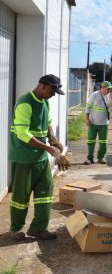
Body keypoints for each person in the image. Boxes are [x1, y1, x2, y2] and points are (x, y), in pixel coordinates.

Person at [8, 74, 65, 240]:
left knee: (45, 191)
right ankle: (16, 228)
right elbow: (22, 133)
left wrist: (53, 139)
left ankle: (38, 228)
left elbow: (48, 123)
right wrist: (48, 148)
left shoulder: (45, 102)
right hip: (23, 157)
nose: (54, 95)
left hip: (40, 158)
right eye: (53, 91)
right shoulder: (25, 102)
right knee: (21, 195)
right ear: (43, 86)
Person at [84, 81, 112, 165]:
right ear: (103, 88)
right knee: (91, 141)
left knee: (103, 142)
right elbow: (88, 107)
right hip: (93, 123)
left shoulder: (109, 96)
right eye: (108, 89)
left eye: (110, 89)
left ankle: (101, 158)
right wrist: (87, 119)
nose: (109, 90)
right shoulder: (94, 94)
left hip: (104, 124)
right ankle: (89, 158)